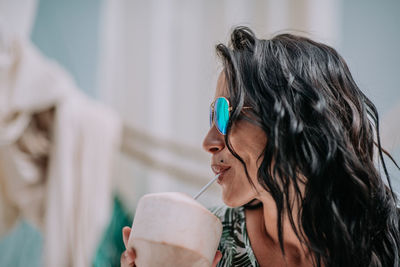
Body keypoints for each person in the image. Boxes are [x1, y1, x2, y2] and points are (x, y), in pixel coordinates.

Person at [121, 27, 400, 267]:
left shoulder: (388, 236)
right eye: (212, 116)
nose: (208, 143)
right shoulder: (205, 244)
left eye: (225, 114)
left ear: (293, 121)